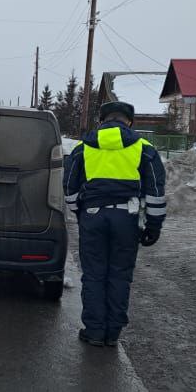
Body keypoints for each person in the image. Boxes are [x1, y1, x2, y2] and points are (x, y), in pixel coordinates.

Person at [63, 101, 166, 347]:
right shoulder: (144, 148)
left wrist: (81, 213)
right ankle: (112, 334)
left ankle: (95, 331)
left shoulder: (83, 147)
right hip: (127, 218)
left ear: (102, 120)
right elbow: (155, 191)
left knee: (94, 274)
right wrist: (153, 225)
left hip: (93, 215)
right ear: (129, 121)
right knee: (119, 275)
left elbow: (69, 187)